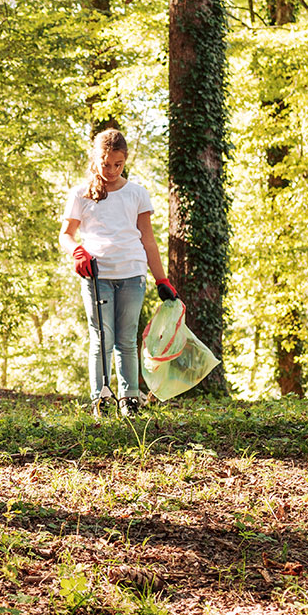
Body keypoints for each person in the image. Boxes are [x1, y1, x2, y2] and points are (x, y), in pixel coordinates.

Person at [58, 128, 177, 417]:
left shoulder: (137, 193)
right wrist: (77, 251)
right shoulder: (81, 194)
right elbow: (66, 235)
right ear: (95, 159)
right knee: (102, 339)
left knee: (126, 339)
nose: (111, 170)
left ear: (125, 162)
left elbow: (148, 239)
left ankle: (129, 399)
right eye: (105, 163)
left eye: (117, 164)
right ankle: (101, 397)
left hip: (132, 274)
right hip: (97, 275)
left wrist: (161, 279)